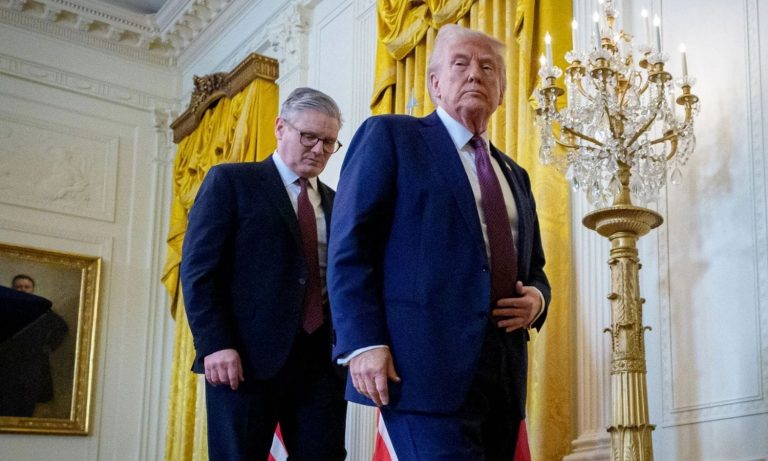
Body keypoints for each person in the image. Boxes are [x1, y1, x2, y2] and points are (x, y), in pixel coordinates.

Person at [328, 24, 551, 460]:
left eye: (488, 67)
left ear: (502, 92)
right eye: (460, 64)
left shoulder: (515, 175)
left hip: (503, 378)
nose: (475, 74)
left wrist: (537, 301)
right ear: (435, 84)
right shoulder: (392, 137)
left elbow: (536, 269)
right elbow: (350, 246)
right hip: (419, 371)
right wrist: (363, 342)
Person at [180, 87, 347, 461]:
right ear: (280, 127)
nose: (318, 149)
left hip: (321, 365)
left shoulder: (339, 202)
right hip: (243, 360)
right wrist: (214, 343)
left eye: (329, 142)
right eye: (309, 136)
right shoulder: (231, 182)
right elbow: (199, 271)